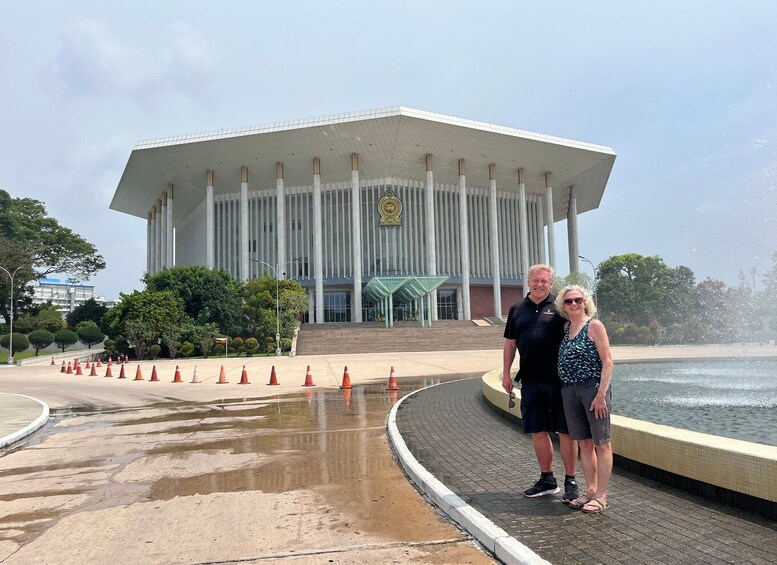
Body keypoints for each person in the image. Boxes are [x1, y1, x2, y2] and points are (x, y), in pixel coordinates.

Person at [503, 264, 579, 502]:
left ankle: (571, 481)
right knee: (538, 430)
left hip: (559, 381)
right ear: (528, 281)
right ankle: (547, 480)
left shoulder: (561, 307)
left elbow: (577, 332)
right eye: (536, 280)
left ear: (551, 283)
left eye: (544, 281)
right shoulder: (517, 309)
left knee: (565, 431)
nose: (539, 284)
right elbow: (510, 343)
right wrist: (506, 373)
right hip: (531, 381)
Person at [555, 285, 613, 514]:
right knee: (584, 443)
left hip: (593, 389)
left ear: (585, 302)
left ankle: (601, 495)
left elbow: (607, 362)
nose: (574, 304)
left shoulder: (594, 325)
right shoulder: (567, 327)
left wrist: (601, 396)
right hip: (570, 391)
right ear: (563, 305)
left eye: (578, 300)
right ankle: (590, 490)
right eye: (569, 301)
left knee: (601, 442)